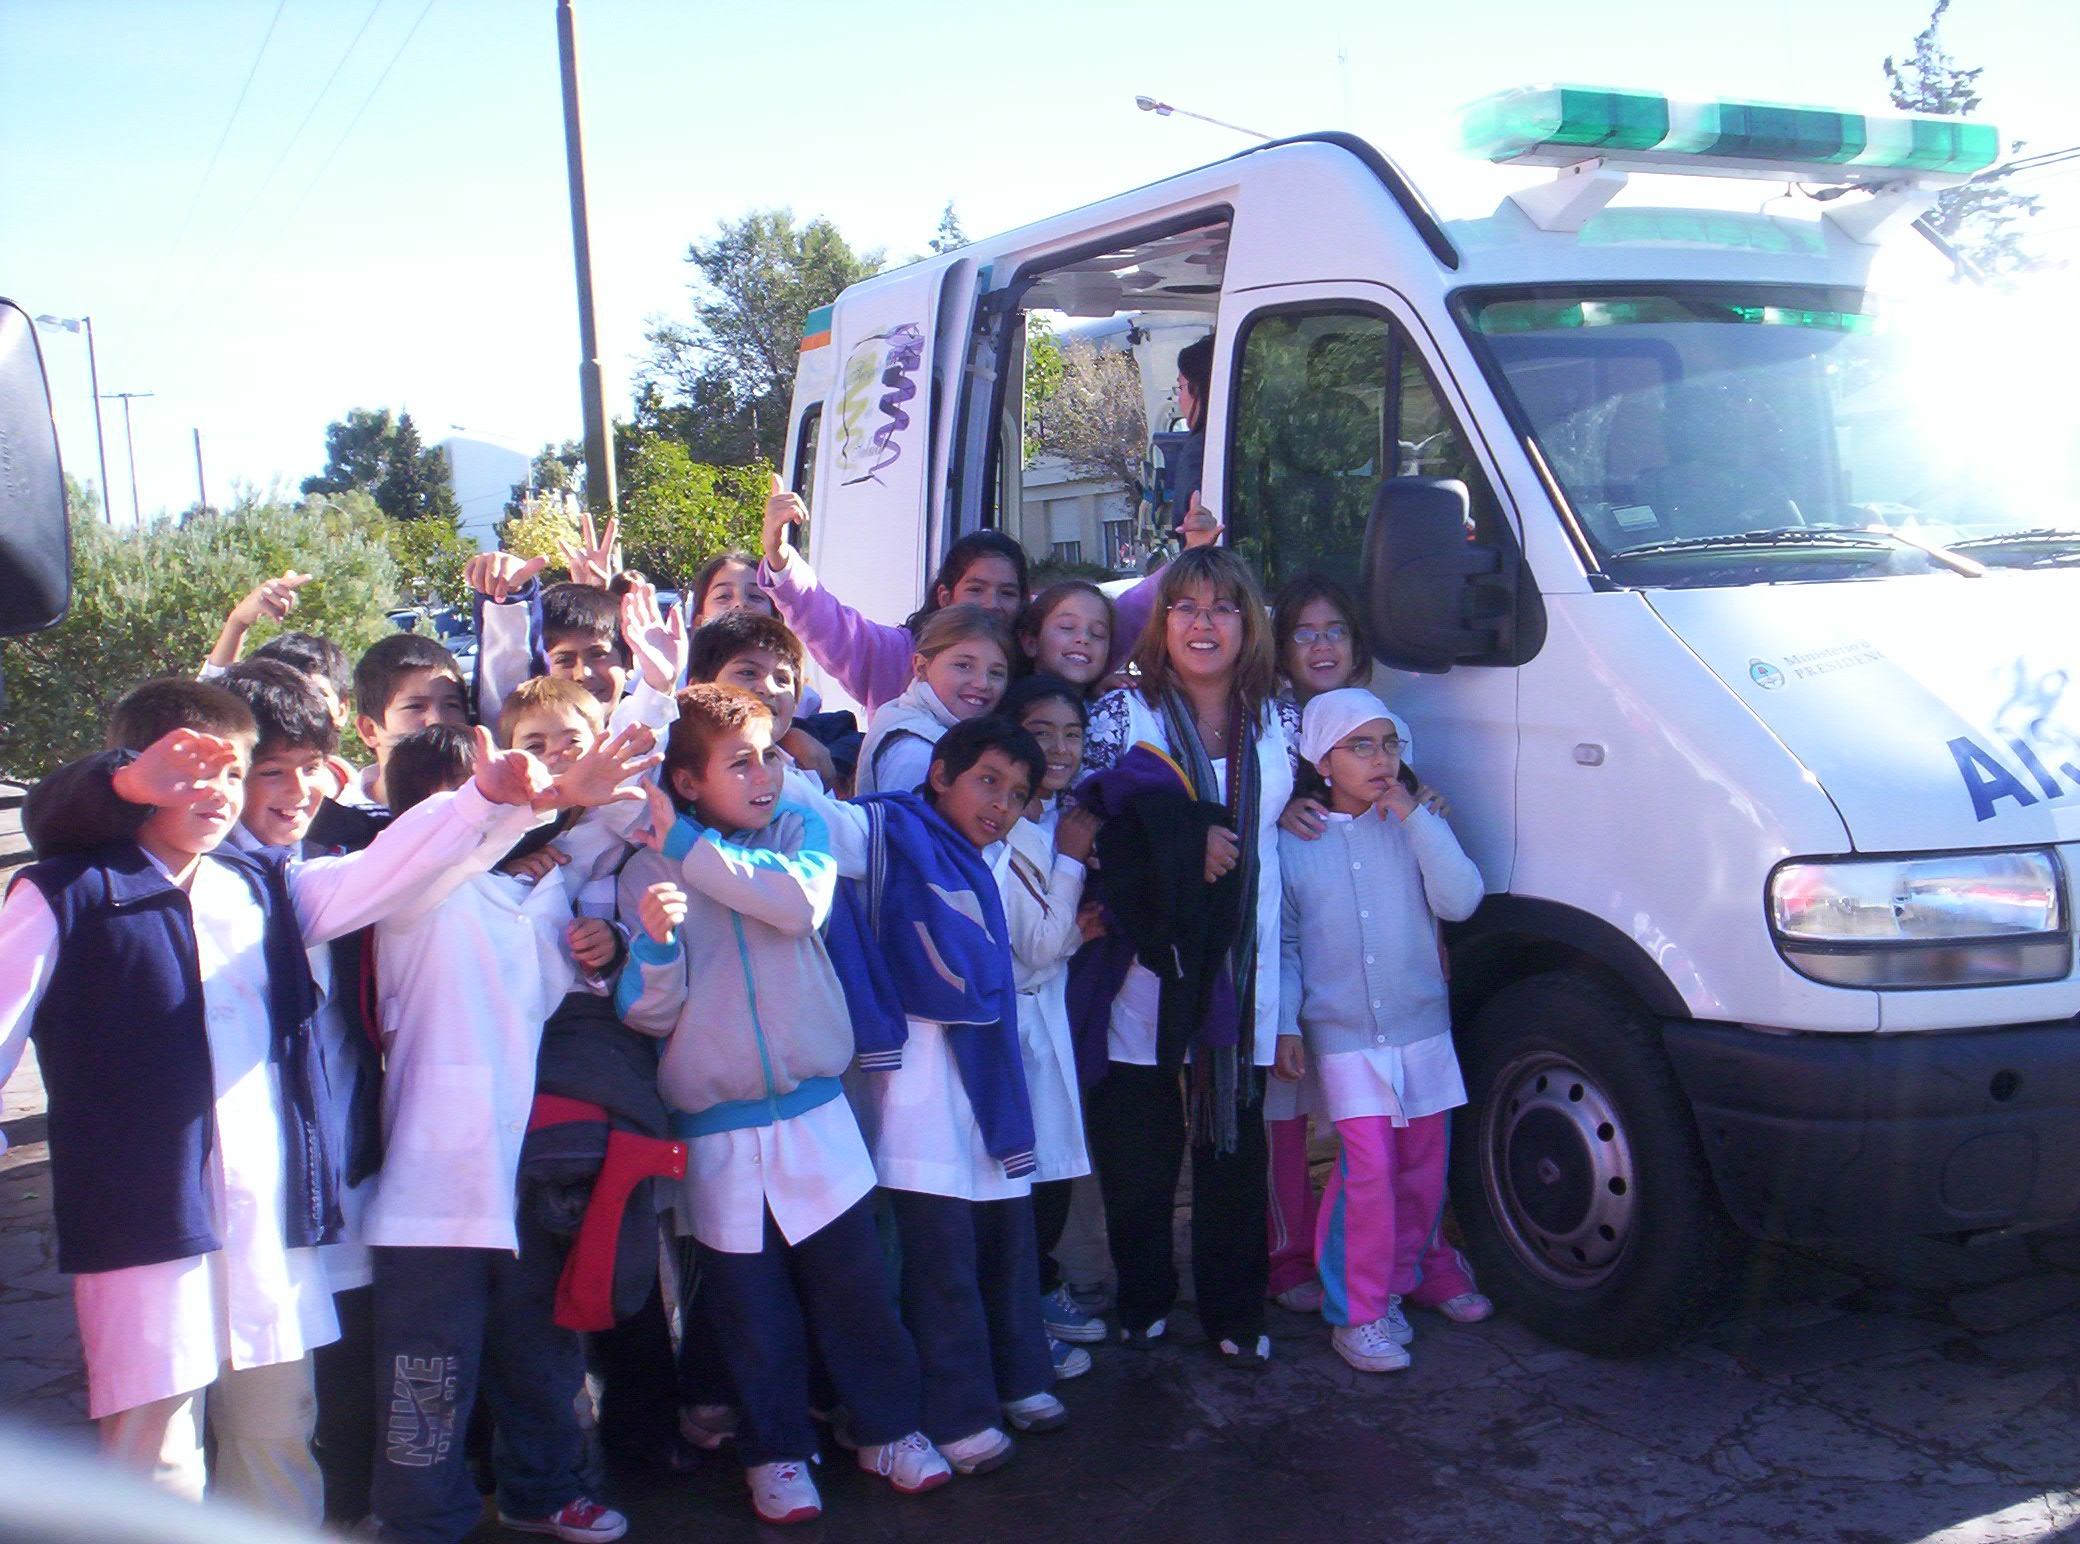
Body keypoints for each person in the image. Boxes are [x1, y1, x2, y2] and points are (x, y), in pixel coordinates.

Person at [0, 678, 573, 1521]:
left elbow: (384, 871)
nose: (217, 793)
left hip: (268, 1226)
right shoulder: (66, 893)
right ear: (132, 775)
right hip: (141, 1228)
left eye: (232, 773)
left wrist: (484, 802)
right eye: (191, 773)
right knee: (154, 1455)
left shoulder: (264, 885)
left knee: (277, 1436)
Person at [614, 684, 952, 1524]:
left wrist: (688, 845)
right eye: (739, 763)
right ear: (687, 781)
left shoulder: (798, 831)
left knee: (857, 1292)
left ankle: (890, 1430)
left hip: (817, 1114)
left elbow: (799, 905)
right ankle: (774, 1452)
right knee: (749, 1308)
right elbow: (648, 1015)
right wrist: (655, 945)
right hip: (717, 1136)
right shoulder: (646, 872)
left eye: (768, 754)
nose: (765, 773)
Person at [362, 715, 655, 1544]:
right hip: (430, 1189)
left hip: (522, 1173)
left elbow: (570, 962)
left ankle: (544, 1488)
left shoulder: (535, 890)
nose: (489, 813)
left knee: (539, 1346)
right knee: (428, 1365)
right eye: (470, 799)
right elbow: (439, 857)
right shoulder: (409, 899)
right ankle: (418, 1520)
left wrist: (611, 941)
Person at [1075, 546, 1297, 1368]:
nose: (1205, 624)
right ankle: (1143, 1297)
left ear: (1250, 623)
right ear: (1162, 622)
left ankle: (1235, 1311)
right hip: (1145, 972)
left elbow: (1312, 788)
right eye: (1187, 607)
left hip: (1243, 967)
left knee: (1232, 1145)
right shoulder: (1121, 713)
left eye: (1224, 607)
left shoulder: (1278, 717)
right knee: (1140, 1149)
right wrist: (1180, 843)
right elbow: (1087, 826)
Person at [831, 718, 1060, 1471]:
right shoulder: (886, 834)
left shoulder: (1002, 857)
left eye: (1018, 794)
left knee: (1005, 1236)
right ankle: (958, 1413)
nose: (1001, 804)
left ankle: (1019, 1377)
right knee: (940, 1253)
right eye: (987, 780)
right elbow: (806, 819)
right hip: (916, 1080)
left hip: (988, 1071)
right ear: (939, 775)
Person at [1275, 689, 1492, 1373]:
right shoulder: (1294, 842)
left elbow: (1461, 898)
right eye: (1360, 747)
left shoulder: (1415, 824)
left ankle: (1401, 1280)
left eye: (1390, 744)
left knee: (1423, 1170)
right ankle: (1359, 1311)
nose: (1380, 760)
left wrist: (1417, 820)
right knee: (1367, 1171)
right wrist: (1285, 1024)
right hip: (1344, 1038)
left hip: (1422, 1027)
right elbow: (1284, 943)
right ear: (1323, 761)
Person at [996, 676, 1105, 1356]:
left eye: (1073, 734)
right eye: (1042, 733)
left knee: (1056, 1166)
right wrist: (1069, 864)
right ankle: (1021, 1319)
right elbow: (1035, 946)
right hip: (1017, 1016)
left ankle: (1039, 1290)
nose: (1060, 749)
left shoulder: (1063, 813)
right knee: (1024, 1173)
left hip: (1050, 1014)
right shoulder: (1012, 824)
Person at [854, 605, 1012, 795]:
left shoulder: (951, 735)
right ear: (921, 667)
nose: (982, 683)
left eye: (996, 673)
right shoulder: (914, 754)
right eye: (963, 666)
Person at [344, 633, 473, 812]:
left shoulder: (485, 810)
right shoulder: (340, 821)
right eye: (416, 707)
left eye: (451, 705)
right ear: (370, 730)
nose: (437, 720)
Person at [1013, 582, 1114, 695]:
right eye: (1067, 627)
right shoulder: (1010, 702)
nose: (1084, 638)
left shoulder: (1115, 701)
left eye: (1097, 634)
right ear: (1031, 644)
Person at [1170, 335, 1213, 517]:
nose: (1179, 400)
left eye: (1181, 387)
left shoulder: (1199, 452)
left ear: (1197, 388)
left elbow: (1185, 524)